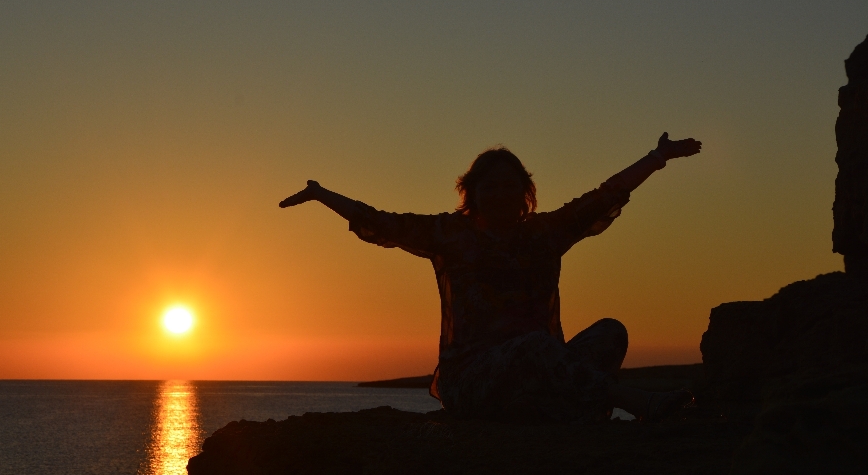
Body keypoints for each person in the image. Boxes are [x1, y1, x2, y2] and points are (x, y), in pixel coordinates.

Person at [279, 133, 701, 424]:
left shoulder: (545, 232)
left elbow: (606, 194)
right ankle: (638, 403)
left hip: (538, 371)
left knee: (610, 332)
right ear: (472, 194)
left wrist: (657, 157)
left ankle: (565, 410)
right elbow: (379, 221)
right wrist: (322, 193)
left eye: (509, 187)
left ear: (525, 193)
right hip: (473, 382)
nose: (500, 195)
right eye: (490, 187)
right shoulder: (450, 235)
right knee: (535, 346)